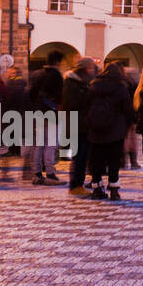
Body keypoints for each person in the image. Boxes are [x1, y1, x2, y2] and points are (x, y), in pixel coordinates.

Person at [84, 61, 136, 200]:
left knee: (97, 160)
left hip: (96, 129)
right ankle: (114, 190)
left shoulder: (93, 86)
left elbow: (86, 105)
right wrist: (130, 122)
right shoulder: (121, 88)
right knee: (114, 160)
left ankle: (97, 188)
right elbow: (128, 109)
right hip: (116, 130)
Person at [24, 51, 65, 185]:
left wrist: (36, 105)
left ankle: (36, 174)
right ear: (58, 62)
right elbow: (60, 96)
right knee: (50, 144)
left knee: (38, 144)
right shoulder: (56, 76)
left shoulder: (38, 74)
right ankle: (50, 174)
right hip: (51, 113)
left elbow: (31, 93)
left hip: (37, 112)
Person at [62, 58, 98, 196]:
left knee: (82, 157)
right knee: (79, 157)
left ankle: (78, 185)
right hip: (77, 125)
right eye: (90, 68)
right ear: (85, 69)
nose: (92, 71)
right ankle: (75, 186)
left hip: (81, 124)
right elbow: (70, 104)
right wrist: (87, 96)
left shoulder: (80, 83)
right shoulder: (72, 84)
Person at [2, 66, 27, 156]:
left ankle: (13, 150)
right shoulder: (21, 83)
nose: (10, 74)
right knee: (15, 130)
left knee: (12, 130)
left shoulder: (12, 82)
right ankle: (15, 150)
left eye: (12, 73)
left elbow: (9, 95)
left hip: (13, 109)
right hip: (18, 110)